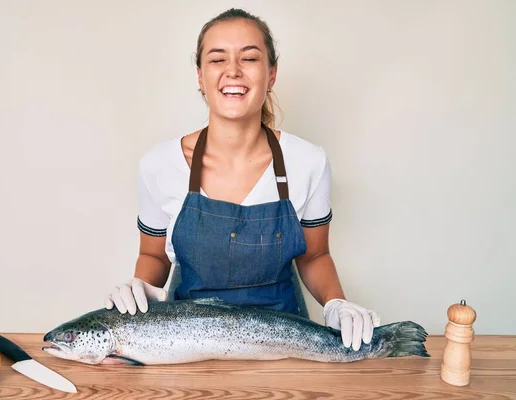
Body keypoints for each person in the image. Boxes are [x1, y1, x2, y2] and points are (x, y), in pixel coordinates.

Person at [105, 8, 380, 351]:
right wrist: (140, 287)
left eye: (249, 58)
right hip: (186, 341)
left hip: (285, 341)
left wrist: (336, 303)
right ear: (200, 77)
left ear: (272, 74)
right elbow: (155, 257)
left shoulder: (309, 162)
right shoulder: (159, 165)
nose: (233, 71)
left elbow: (314, 255)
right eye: (217, 60)